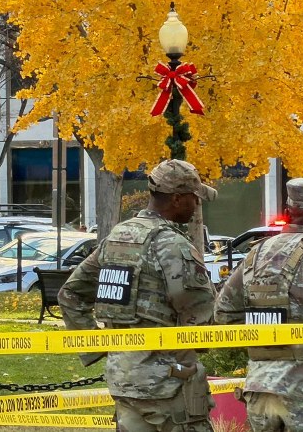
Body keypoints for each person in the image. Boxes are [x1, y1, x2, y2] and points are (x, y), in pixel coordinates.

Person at [57, 159, 218, 432]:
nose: (197, 204)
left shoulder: (117, 237)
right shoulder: (172, 245)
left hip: (123, 378)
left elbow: (70, 294)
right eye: (194, 197)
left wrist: (98, 346)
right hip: (170, 384)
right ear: (177, 199)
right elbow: (202, 312)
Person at [215, 177, 303, 432]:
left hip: (261, 387)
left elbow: (224, 313)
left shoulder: (257, 252)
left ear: (288, 211)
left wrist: (264, 339)